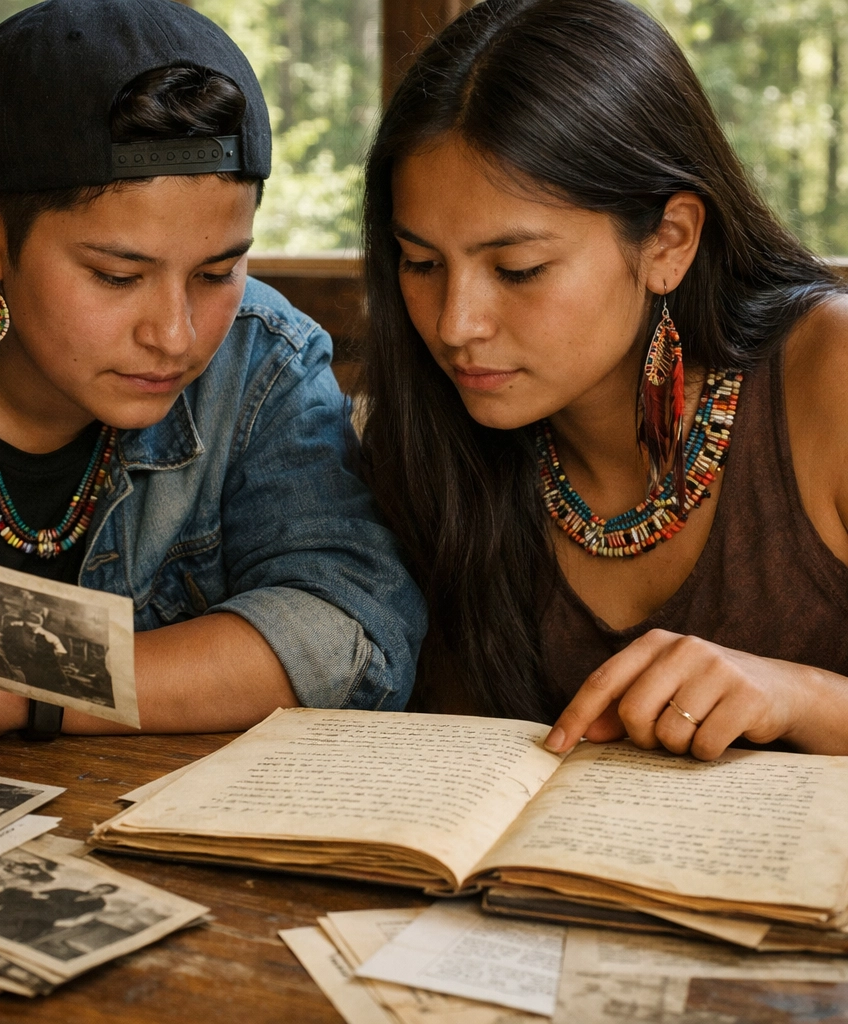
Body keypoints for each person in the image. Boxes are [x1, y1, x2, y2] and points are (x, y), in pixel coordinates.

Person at [0, 0, 425, 763]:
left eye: (217, 271)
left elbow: (351, 631)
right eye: (116, 275)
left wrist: (29, 690)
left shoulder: (261, 361)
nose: (175, 335)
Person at [361, 0, 848, 760]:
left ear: (669, 241)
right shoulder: (433, 437)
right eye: (421, 264)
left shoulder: (831, 376)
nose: (455, 325)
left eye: (518, 269)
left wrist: (802, 696)